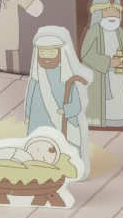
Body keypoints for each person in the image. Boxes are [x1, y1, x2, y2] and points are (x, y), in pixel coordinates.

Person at [23, 26, 93, 174]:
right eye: (42, 52)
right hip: (37, 119)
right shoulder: (36, 78)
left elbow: (76, 103)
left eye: (51, 52)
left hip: (62, 120)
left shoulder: (67, 79)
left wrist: (67, 111)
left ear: (60, 53)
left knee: (62, 145)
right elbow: (29, 97)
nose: (46, 56)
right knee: (38, 143)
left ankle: (69, 166)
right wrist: (28, 115)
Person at [79, 0, 123, 130]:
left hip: (120, 78)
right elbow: (86, 54)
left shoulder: (121, 32)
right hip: (101, 78)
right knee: (103, 102)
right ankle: (99, 120)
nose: (112, 16)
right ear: (99, 14)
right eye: (108, 12)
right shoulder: (94, 31)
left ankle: (122, 120)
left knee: (120, 99)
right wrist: (108, 62)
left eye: (115, 12)